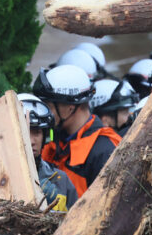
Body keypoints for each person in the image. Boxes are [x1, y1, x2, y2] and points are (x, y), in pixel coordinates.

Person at [0, 93, 78, 211]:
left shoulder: (61, 180)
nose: (31, 141)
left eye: (36, 132)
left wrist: (58, 209)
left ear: (44, 136)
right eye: (24, 131)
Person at [32, 64, 121, 196]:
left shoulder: (104, 151)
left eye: (49, 106)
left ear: (70, 107)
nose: (46, 113)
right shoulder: (56, 140)